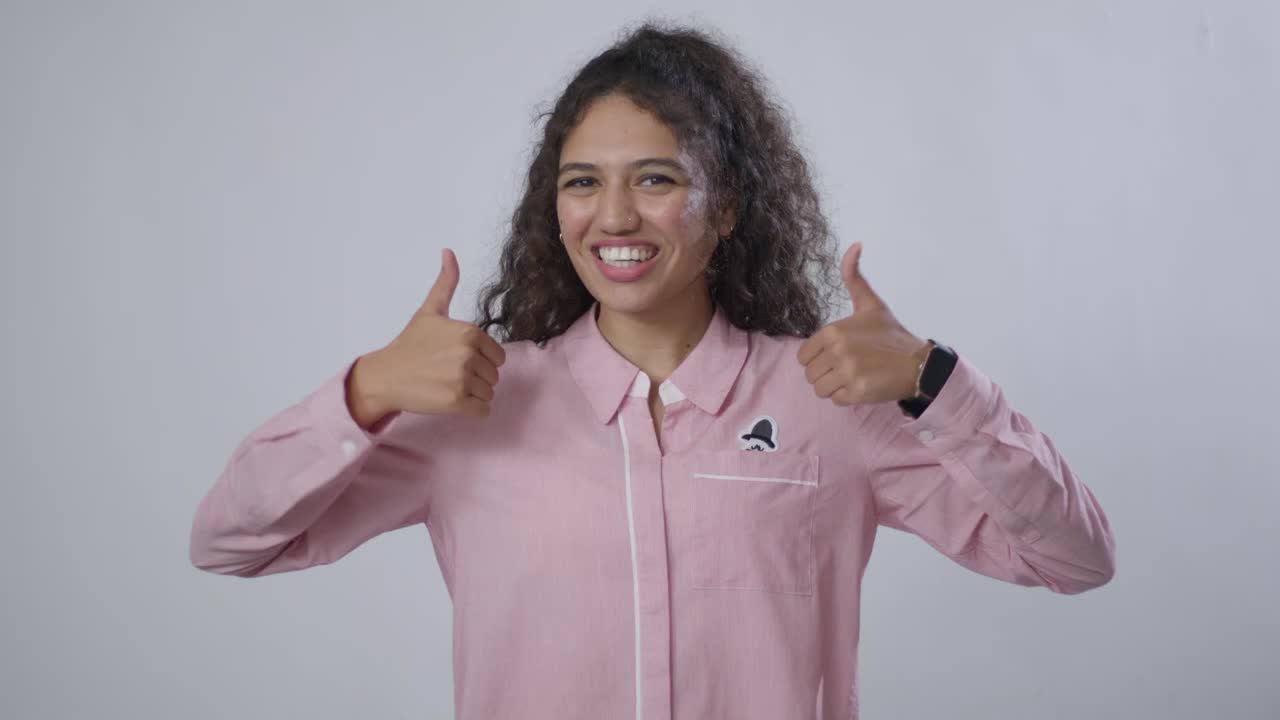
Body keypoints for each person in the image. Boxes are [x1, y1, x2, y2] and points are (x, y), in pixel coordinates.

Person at [189, 21, 1116, 720]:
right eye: (583, 181)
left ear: (725, 208)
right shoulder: (475, 405)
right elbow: (231, 541)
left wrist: (933, 379)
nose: (615, 216)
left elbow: (1073, 559)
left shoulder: (830, 401)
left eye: (658, 179)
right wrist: (365, 393)